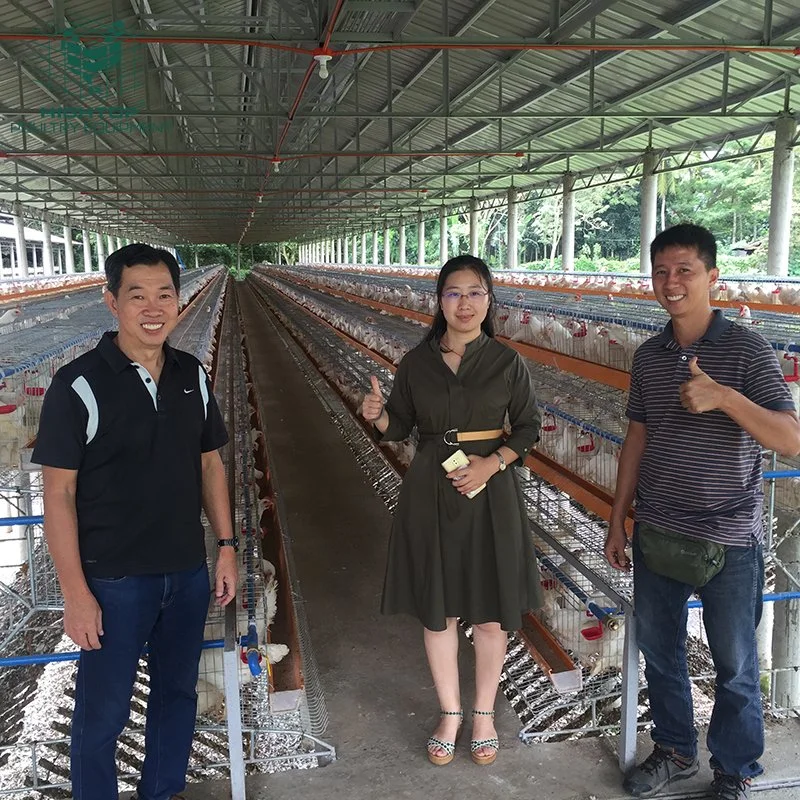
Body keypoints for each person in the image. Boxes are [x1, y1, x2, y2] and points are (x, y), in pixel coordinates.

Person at [32, 244, 238, 800]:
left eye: (164, 293)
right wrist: (76, 592)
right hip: (115, 581)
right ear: (111, 302)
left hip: (186, 572)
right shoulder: (77, 385)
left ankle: (161, 791)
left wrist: (225, 545)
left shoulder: (191, 374)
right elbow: (58, 495)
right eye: (137, 295)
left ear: (179, 298)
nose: (153, 307)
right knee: (104, 711)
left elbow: (210, 463)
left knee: (178, 696)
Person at [604, 224, 800, 800]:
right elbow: (636, 438)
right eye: (661, 271)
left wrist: (724, 397)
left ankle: (734, 771)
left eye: (685, 270)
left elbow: (790, 438)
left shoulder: (747, 350)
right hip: (659, 529)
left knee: (735, 665)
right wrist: (618, 519)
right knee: (662, 656)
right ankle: (675, 750)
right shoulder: (649, 355)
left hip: (730, 537)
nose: (672, 282)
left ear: (712, 277)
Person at [359, 254, 542, 766]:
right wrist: (378, 416)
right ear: (439, 302)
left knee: (488, 614)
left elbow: (528, 427)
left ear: (489, 300)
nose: (465, 303)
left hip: (490, 492)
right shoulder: (417, 362)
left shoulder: (507, 362)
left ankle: (483, 712)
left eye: (475, 292)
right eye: (454, 293)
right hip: (431, 490)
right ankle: (450, 711)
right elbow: (401, 427)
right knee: (439, 612)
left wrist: (493, 463)